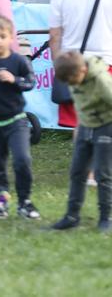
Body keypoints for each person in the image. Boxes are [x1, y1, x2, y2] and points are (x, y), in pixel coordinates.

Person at [49, 0, 112, 129]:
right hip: (105, 67)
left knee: (80, 127)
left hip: (73, 68)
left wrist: (60, 68)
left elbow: (54, 37)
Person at [0, 16, 40, 220]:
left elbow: (30, 83)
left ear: (10, 38)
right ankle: (1, 202)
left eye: (3, 36)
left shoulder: (19, 60)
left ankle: (25, 202)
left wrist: (13, 79)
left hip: (16, 120)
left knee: (22, 160)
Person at [50, 51, 112, 232]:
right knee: (77, 171)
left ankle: (106, 218)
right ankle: (71, 216)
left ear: (83, 70)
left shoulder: (102, 80)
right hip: (85, 125)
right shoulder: (71, 76)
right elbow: (79, 105)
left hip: (106, 125)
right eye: (67, 81)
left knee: (103, 174)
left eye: (72, 80)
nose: (71, 84)